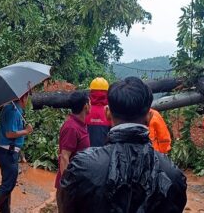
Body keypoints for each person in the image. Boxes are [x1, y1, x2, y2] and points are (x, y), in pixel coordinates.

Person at [58, 77, 187, 213]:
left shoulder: (81, 168)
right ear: (149, 117)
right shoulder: (173, 175)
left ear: (108, 113)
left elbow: (65, 206)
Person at [0, 93, 33, 213]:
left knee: (7, 185)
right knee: (7, 186)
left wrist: (20, 153)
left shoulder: (12, 108)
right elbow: (10, 134)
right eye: (27, 97)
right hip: (8, 153)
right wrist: (26, 131)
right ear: (22, 98)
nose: (28, 100)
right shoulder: (13, 111)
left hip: (8, 152)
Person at [55, 91, 91, 211]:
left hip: (78, 184)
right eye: (90, 101)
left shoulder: (81, 124)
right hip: (70, 188)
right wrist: (67, 187)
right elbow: (64, 157)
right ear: (86, 105)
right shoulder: (71, 127)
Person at [85, 77, 111, 147]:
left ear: (91, 92)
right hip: (105, 154)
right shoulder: (110, 112)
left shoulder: (85, 110)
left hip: (86, 154)